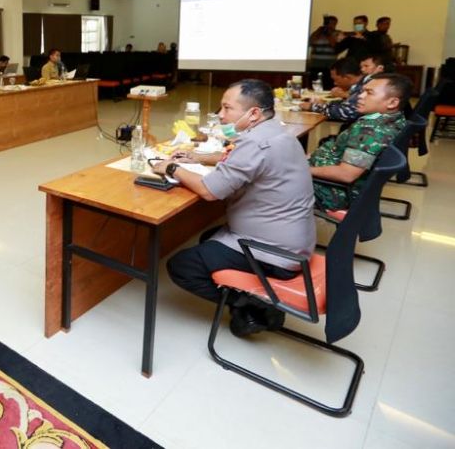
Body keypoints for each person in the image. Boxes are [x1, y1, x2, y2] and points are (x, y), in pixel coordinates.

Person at [153, 80, 315, 337]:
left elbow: (210, 190)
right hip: (292, 239)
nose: (220, 114)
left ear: (253, 114)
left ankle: (251, 307)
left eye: (227, 108)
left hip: (276, 253)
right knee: (208, 237)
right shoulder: (277, 132)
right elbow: (238, 158)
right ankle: (247, 298)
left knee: (182, 265)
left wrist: (173, 168)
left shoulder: (256, 144)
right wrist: (197, 158)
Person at [309, 73, 410, 210]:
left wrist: (303, 170)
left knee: (271, 176)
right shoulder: (393, 118)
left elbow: (346, 175)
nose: (360, 96)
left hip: (330, 191)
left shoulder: (371, 131)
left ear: (392, 102)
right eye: (362, 91)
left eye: (369, 93)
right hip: (328, 172)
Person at [300, 56, 363, 123]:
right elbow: (346, 105)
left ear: (346, 77)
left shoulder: (363, 87)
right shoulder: (359, 85)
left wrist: (312, 107)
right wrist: (326, 104)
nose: (335, 83)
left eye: (335, 80)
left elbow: (345, 113)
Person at [308, 15, 341, 81]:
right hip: (316, 65)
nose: (330, 25)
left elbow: (334, 45)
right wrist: (319, 30)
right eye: (329, 23)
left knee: (328, 85)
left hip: (330, 66)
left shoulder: (337, 33)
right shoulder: (318, 33)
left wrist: (328, 33)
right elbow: (310, 42)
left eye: (332, 23)